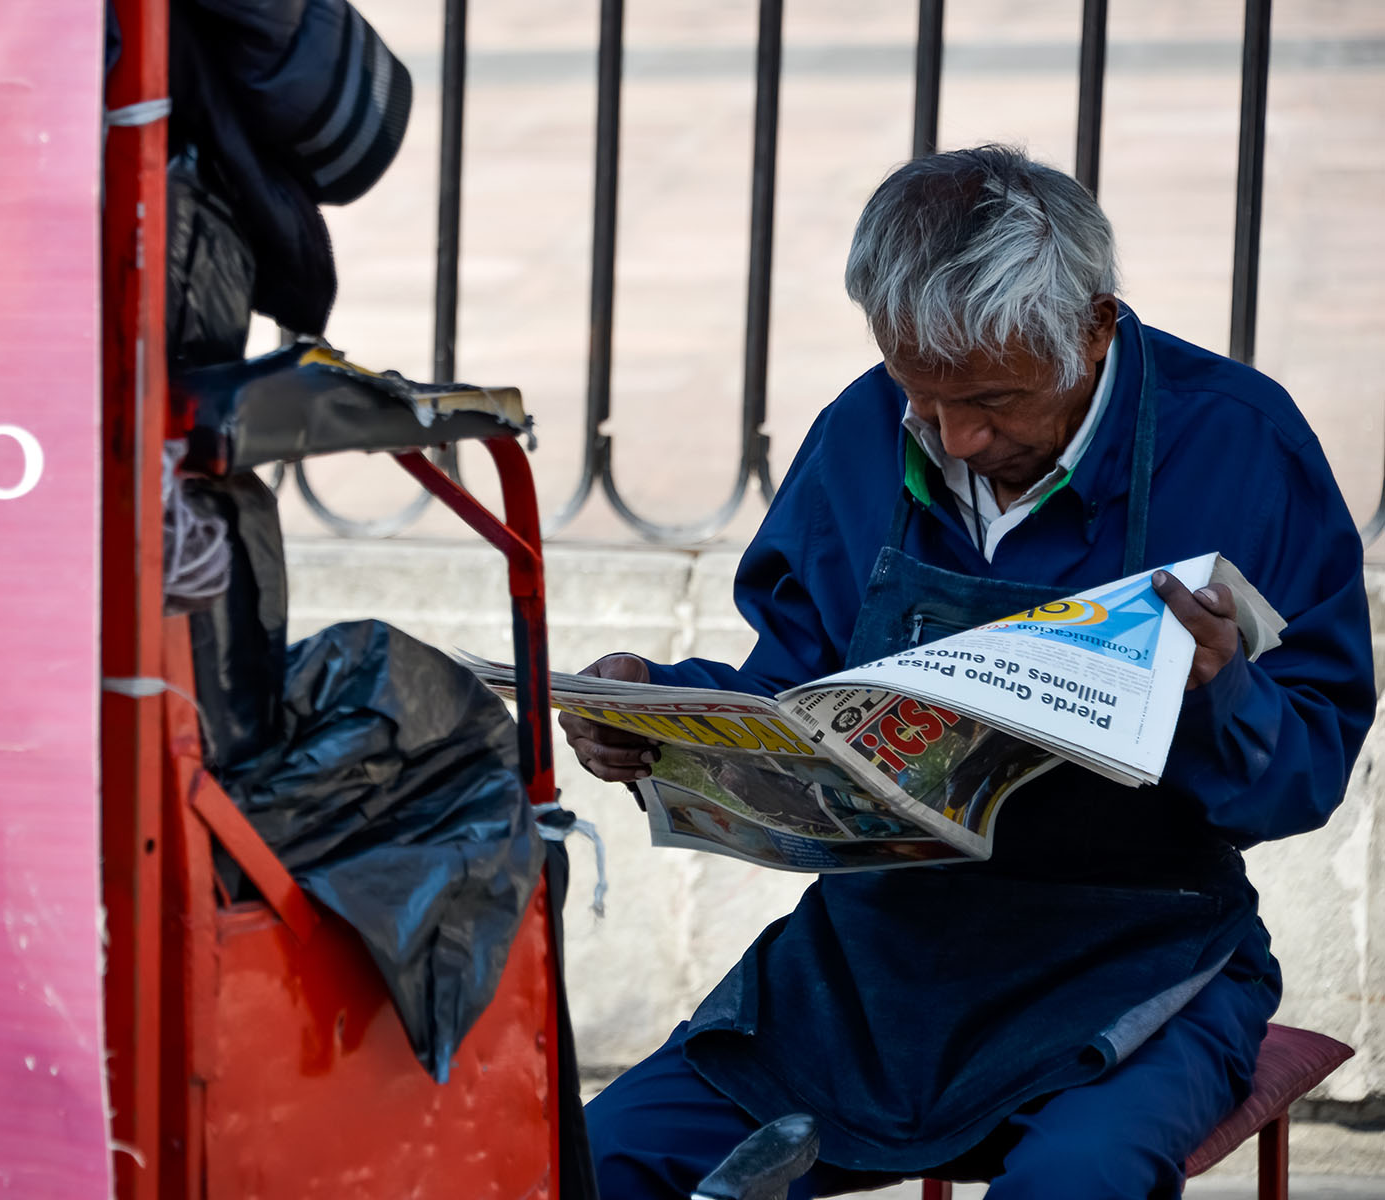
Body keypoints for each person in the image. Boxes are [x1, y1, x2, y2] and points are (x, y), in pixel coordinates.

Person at [568, 145, 1376, 1200]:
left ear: (1093, 327)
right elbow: (800, 698)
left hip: (1141, 950)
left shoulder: (1238, 445)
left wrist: (1222, 691)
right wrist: (661, 719)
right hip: (882, 959)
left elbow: (1306, 772)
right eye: (923, 395)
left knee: (1073, 1181)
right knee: (588, 1163)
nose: (957, 434)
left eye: (994, 398)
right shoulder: (860, 437)